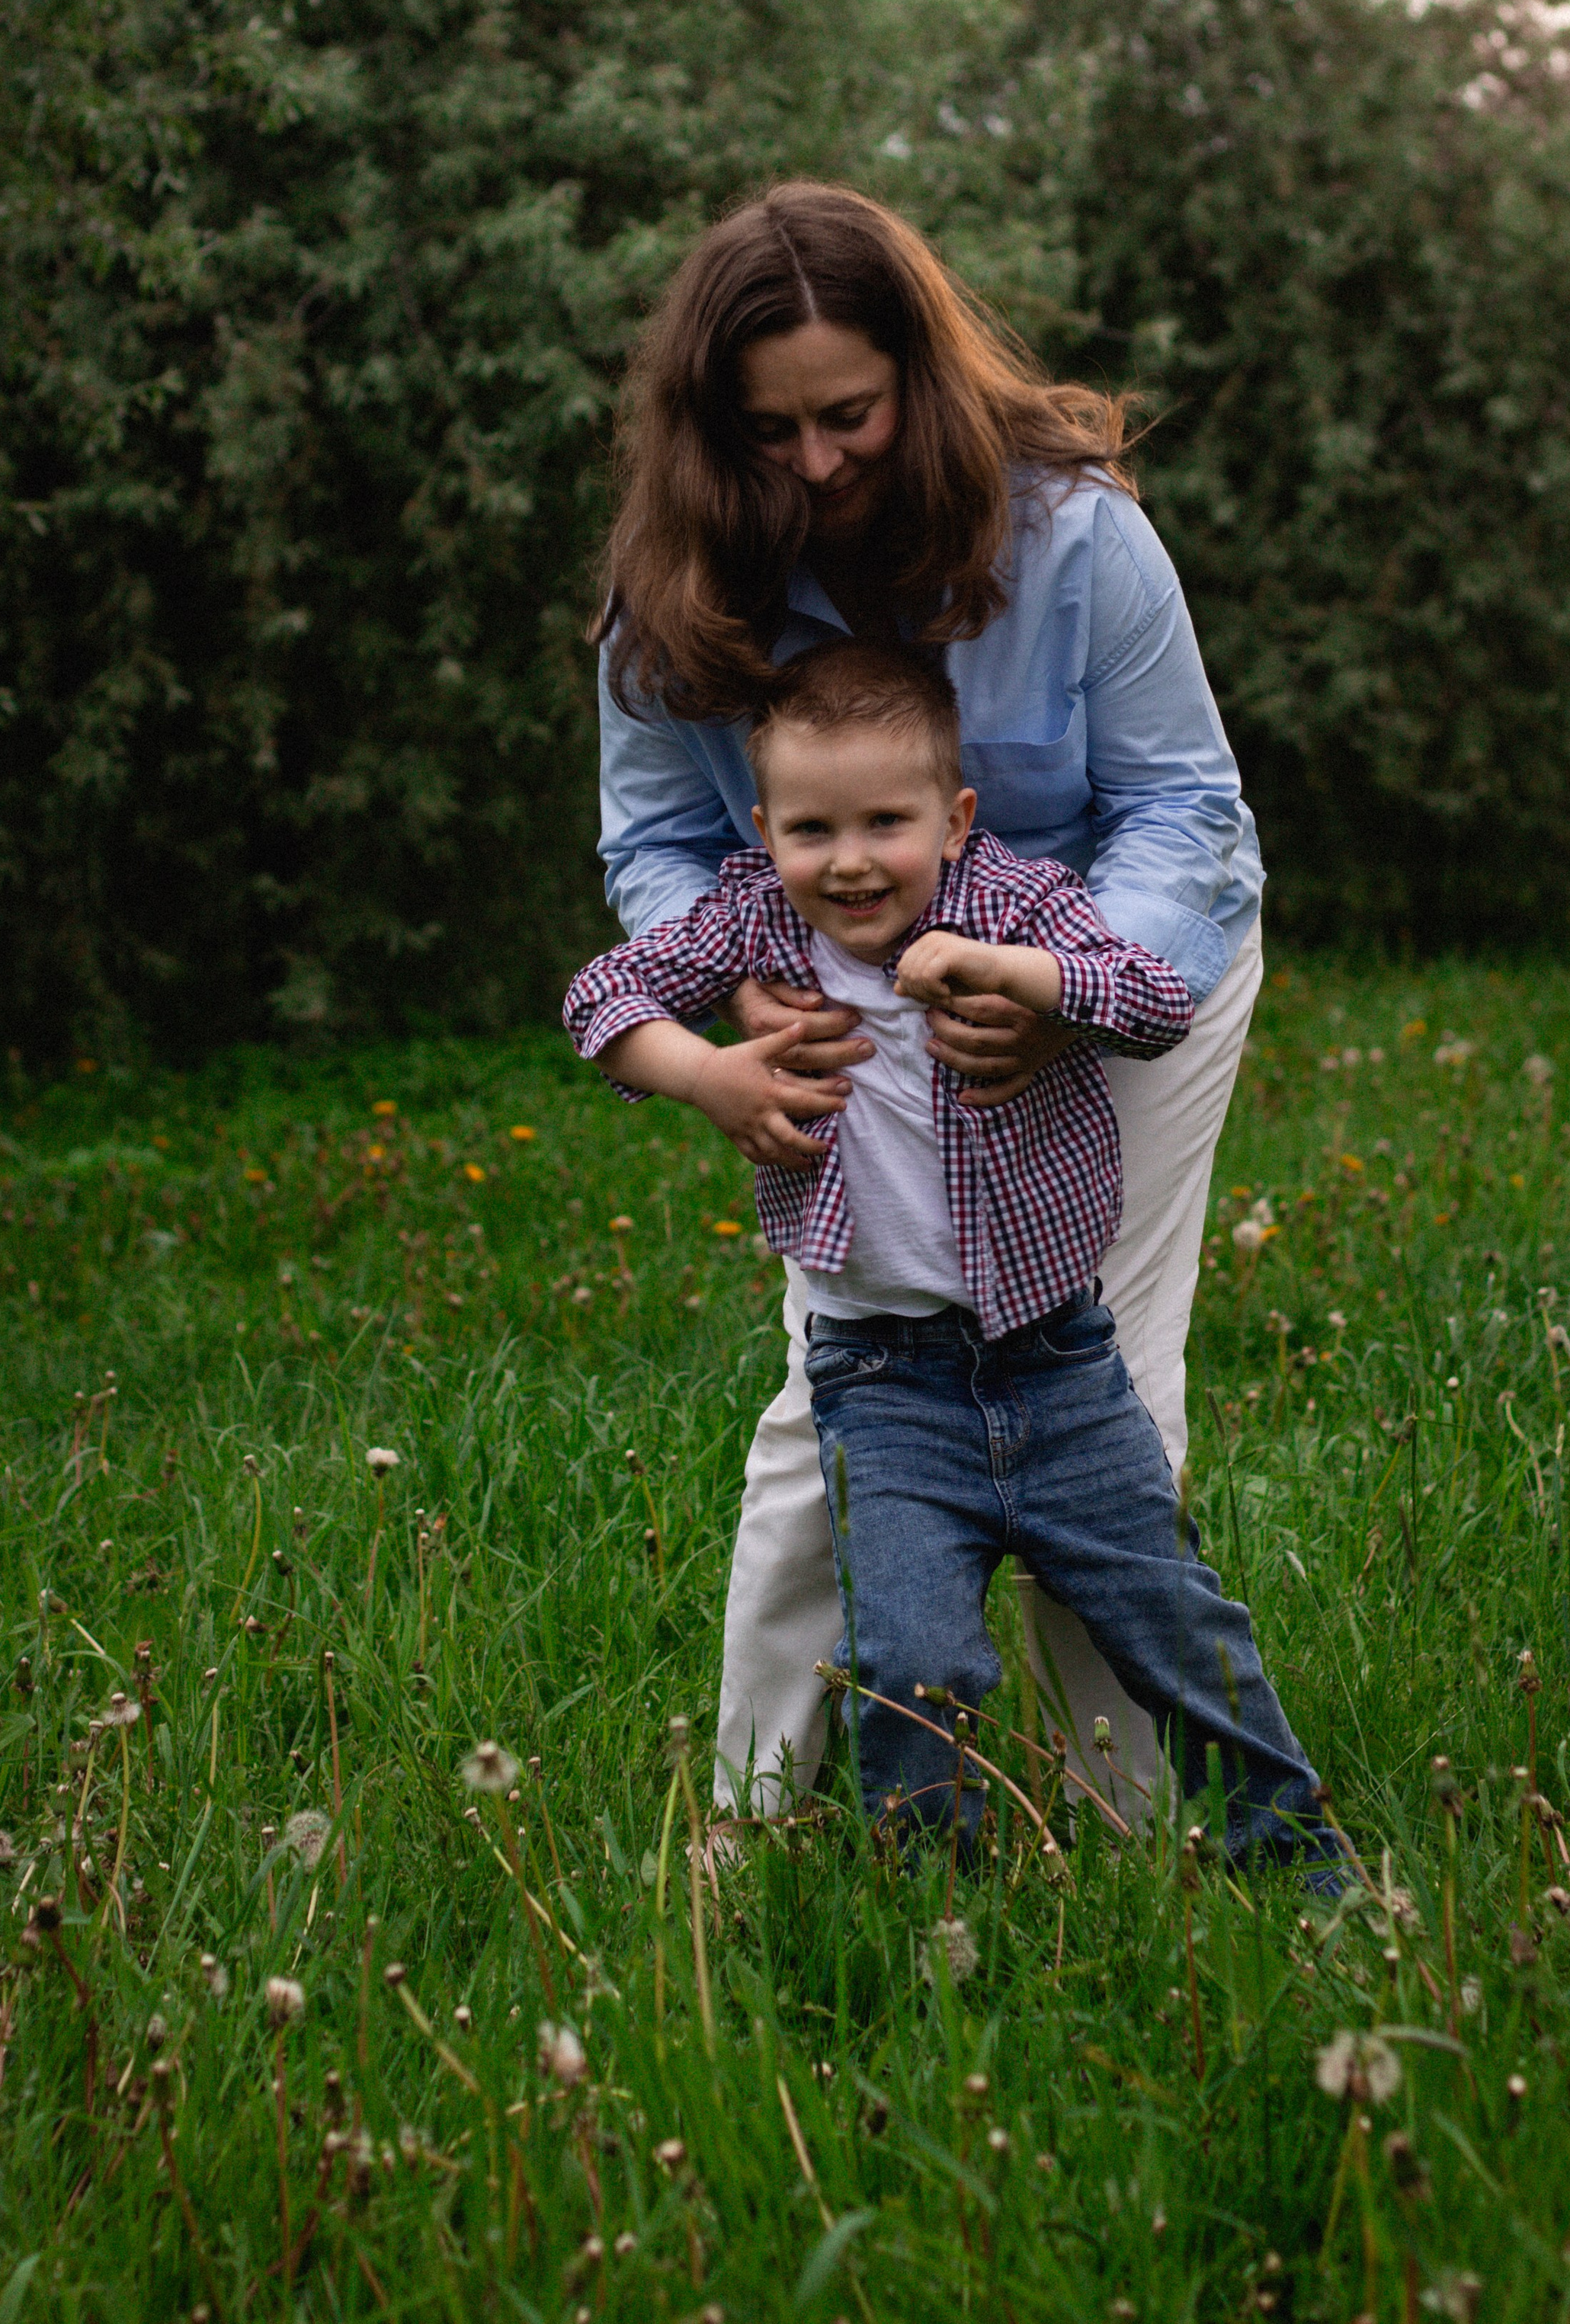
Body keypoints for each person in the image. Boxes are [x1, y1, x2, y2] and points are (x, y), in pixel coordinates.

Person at [594, 181, 1265, 1820]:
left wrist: (1060, 990)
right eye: (770, 432)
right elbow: (658, 843)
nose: (816, 464)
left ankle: (1129, 1824)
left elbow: (1183, 808)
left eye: (849, 416)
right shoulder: (675, 591)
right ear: (709, 428)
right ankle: (752, 1824)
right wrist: (743, 996)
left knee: (1095, 1393)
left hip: (1117, 980)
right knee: (836, 1399)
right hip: (837, 1010)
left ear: (917, 380)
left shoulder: (1074, 534)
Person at [563, 643, 1326, 1861]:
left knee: (1173, 1623)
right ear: (763, 832)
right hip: (883, 1380)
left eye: (887, 821)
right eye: (812, 828)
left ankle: (1294, 1858)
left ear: (956, 819)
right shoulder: (757, 920)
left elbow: (1149, 999)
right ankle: (934, 1899)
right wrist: (706, 1073)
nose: (852, 858)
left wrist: (1017, 977)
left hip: (1059, 1362)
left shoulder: (1017, 904)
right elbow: (602, 1000)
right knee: (910, 1655)